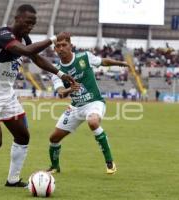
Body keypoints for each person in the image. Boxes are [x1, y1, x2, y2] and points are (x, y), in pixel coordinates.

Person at [0, 4, 75, 190]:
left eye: (33, 24)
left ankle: (12, 180)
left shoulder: (24, 38)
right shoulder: (3, 35)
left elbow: (37, 58)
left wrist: (60, 74)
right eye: (28, 22)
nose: (30, 26)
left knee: (23, 136)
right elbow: (28, 52)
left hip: (7, 95)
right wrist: (54, 38)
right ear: (17, 18)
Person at [46, 36, 128, 175]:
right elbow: (60, 92)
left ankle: (109, 162)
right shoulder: (56, 70)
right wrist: (69, 90)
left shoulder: (85, 57)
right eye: (58, 46)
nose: (61, 48)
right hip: (76, 107)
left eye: (64, 45)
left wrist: (118, 62)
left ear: (70, 46)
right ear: (54, 49)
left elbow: (103, 61)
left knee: (93, 121)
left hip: (94, 102)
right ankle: (55, 167)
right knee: (54, 138)